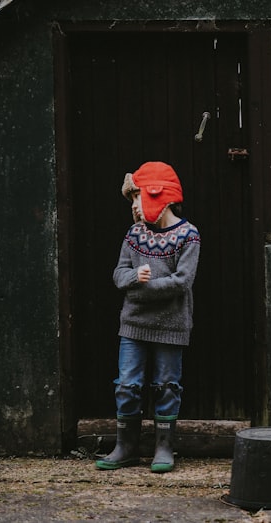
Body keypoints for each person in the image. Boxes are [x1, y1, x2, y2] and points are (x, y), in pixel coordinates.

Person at [95, 161, 201, 473]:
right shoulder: (134, 234)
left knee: (167, 384)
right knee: (127, 384)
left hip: (171, 325)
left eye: (137, 198)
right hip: (134, 324)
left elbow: (182, 282)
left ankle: (164, 447)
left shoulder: (188, 235)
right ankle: (125, 447)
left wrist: (142, 288)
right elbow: (118, 275)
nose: (135, 207)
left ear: (160, 195)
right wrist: (132, 280)